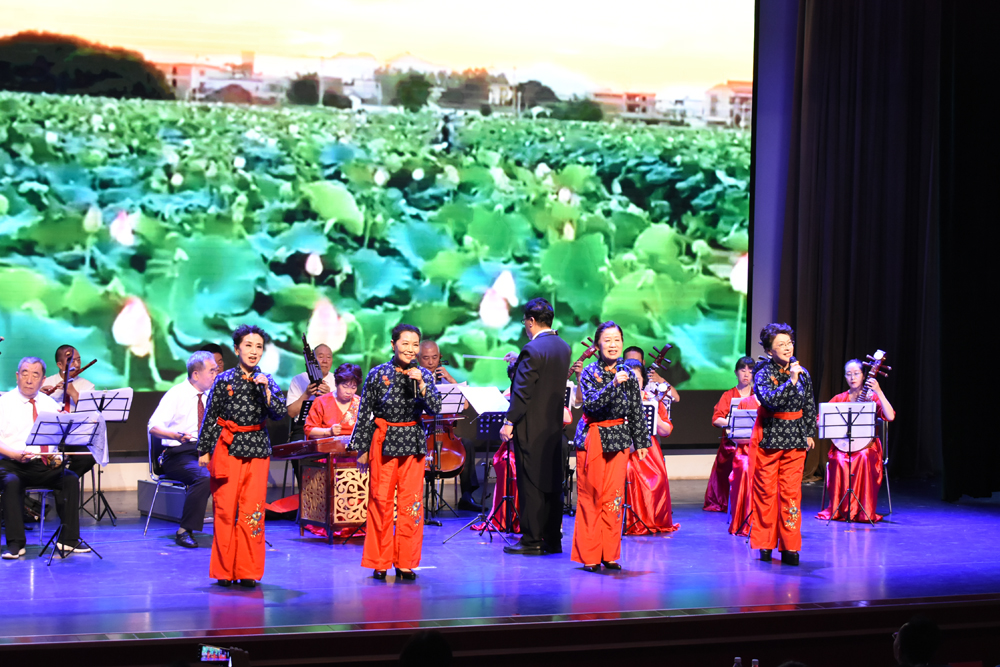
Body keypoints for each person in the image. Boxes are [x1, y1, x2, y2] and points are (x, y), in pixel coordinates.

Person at [350, 324, 442, 580]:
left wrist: (421, 383)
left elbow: (435, 408)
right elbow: (365, 412)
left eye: (415, 344)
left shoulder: (424, 374)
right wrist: (362, 449)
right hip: (384, 441)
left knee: (411, 504)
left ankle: (405, 562)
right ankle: (380, 561)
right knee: (380, 502)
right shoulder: (378, 373)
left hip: (412, 443)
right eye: (405, 343)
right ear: (393, 344)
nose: (411, 349)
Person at [197, 324, 286, 588]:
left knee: (253, 512)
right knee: (225, 510)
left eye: (259, 346)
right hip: (228, 449)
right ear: (237, 349)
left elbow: (279, 413)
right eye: (248, 345)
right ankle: (224, 571)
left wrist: (266, 391)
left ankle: (248, 570)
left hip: (257, 450)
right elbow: (211, 417)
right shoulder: (223, 380)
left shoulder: (267, 380)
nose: (254, 351)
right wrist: (204, 450)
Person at [570, 321, 650, 571]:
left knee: (614, 498)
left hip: (619, 439)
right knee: (591, 497)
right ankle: (590, 556)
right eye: (607, 340)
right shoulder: (590, 372)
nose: (613, 345)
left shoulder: (629, 373)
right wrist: (612, 384)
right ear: (597, 345)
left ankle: (609, 553)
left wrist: (641, 441)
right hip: (593, 437)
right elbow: (591, 405)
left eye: (617, 340)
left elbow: (636, 409)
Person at [500, 298, 571, 556]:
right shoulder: (563, 346)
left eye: (524, 322)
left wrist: (509, 422)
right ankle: (552, 540)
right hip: (553, 428)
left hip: (531, 427)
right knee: (552, 484)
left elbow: (523, 392)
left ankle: (531, 541)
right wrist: (518, 363)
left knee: (530, 485)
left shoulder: (532, 349)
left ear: (531, 321)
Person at [0, 357, 88, 559]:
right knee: (11, 482)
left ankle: (68, 540)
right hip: (12, 463)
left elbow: (58, 439)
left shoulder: (50, 404)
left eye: (35, 375)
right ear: (17, 376)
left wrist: (59, 452)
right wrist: (13, 454)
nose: (29, 379)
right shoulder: (3, 403)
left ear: (42, 380)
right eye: (25, 373)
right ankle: (15, 544)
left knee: (69, 479)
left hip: (43, 465)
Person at [749, 323, 816, 565]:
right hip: (770, 437)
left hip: (795, 439)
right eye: (781, 344)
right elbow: (771, 401)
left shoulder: (802, 372)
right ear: (769, 350)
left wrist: (809, 432)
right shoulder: (762, 372)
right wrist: (791, 381)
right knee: (766, 493)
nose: (788, 348)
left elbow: (809, 404)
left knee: (791, 494)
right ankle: (765, 544)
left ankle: (790, 546)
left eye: (789, 343)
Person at [147, 351, 219, 548]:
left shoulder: (213, 395)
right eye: (212, 371)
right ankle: (184, 530)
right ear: (196, 374)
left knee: (233, 471)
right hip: (179, 454)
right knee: (204, 476)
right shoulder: (176, 394)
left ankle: (232, 527)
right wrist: (175, 435)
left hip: (207, 450)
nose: (216, 375)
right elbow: (153, 427)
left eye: (216, 370)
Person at [817, 359, 895, 522]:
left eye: (856, 373)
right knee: (838, 458)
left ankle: (863, 510)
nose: (852, 377)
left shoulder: (872, 397)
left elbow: (890, 416)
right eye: (849, 374)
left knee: (863, 457)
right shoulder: (839, 398)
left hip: (868, 447)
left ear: (864, 375)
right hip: (843, 446)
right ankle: (841, 509)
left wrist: (879, 392)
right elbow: (820, 420)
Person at [418, 340, 481, 512]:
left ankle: (466, 496)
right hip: (422, 434)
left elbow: (465, 405)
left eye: (434, 357)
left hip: (446, 434)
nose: (431, 362)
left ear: (440, 357)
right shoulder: (415, 380)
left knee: (467, 444)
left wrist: (451, 380)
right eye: (426, 358)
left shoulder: (446, 381)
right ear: (418, 358)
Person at [623, 358, 680, 535]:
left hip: (648, 450)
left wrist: (654, 416)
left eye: (638, 379)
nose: (635, 383)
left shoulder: (652, 400)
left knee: (658, 477)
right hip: (625, 449)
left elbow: (666, 430)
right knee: (629, 472)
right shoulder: (618, 400)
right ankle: (630, 521)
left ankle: (652, 520)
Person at [705, 357, 756, 513]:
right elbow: (716, 419)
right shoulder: (729, 395)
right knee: (732, 457)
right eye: (742, 370)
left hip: (752, 442)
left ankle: (750, 501)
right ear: (736, 372)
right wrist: (733, 422)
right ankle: (728, 501)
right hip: (731, 444)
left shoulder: (757, 395)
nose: (746, 374)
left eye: (750, 371)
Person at [41, 345, 98, 476]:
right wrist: (39, 395)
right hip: (50, 437)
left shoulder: (87, 386)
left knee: (88, 457)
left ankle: (66, 480)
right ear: (60, 365)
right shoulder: (45, 383)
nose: (77, 365)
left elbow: (92, 415)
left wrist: (73, 393)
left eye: (79, 360)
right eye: (72, 361)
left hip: (75, 437)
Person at [728, 391, 760, 536]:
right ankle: (746, 520)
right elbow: (736, 437)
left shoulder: (776, 402)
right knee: (746, 468)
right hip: (746, 453)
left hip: (769, 453)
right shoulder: (745, 403)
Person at [304, 363, 362, 439]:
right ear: (336, 383)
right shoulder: (321, 401)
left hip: (353, 445)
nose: (349, 391)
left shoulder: (360, 403)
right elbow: (309, 430)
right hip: (327, 445)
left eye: (353, 387)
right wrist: (329, 432)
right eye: (345, 386)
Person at [286, 343, 336, 426]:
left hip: (330, 426)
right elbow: (291, 413)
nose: (325, 361)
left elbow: (345, 413)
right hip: (303, 426)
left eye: (328, 357)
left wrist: (329, 397)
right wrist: (306, 394)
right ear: (312, 359)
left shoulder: (338, 381)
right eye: (321, 357)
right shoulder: (298, 379)